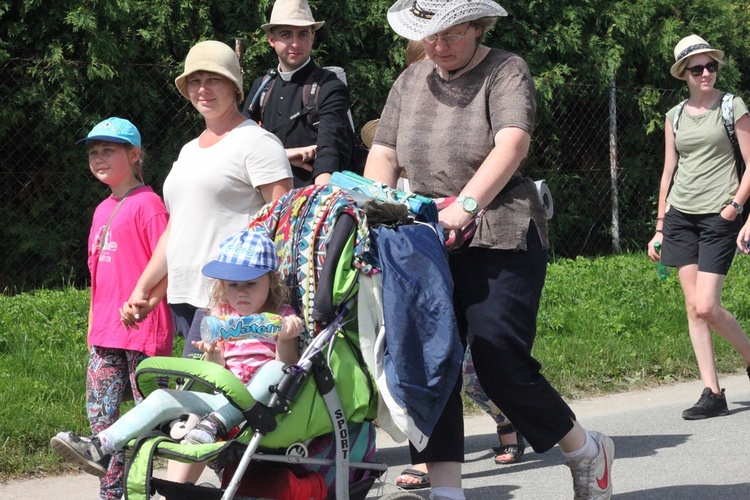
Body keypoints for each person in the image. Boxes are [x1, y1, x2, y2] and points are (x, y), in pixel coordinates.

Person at [366, 2, 614, 499]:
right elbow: (385, 151)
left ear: (478, 27)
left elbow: (512, 143)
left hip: (500, 232)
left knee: (498, 359)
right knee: (426, 359)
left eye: (451, 34)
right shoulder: (410, 80)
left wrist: (468, 203)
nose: (439, 45)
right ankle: (447, 491)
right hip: (422, 239)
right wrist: (378, 206)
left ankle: (585, 449)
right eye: (430, 35)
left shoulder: (506, 69)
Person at [51, 230, 304, 478]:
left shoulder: (282, 315)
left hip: (259, 407)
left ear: (271, 281)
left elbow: (287, 371)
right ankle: (102, 446)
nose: (242, 292)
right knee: (163, 396)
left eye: (251, 283)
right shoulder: (222, 316)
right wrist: (213, 354)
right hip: (224, 400)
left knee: (274, 370)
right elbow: (215, 375)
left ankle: (215, 424)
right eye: (233, 284)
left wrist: (285, 338)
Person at [121, 40, 293, 360]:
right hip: (184, 295)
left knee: (199, 398)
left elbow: (282, 224)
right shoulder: (188, 150)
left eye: (213, 79)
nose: (203, 89)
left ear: (235, 86)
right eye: (194, 81)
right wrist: (144, 288)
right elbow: (177, 228)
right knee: (210, 399)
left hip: (228, 299)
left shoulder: (258, 143)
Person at [649, 34, 750, 419]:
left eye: (711, 66)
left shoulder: (731, 106)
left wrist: (735, 207)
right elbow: (668, 172)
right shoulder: (673, 116)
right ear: (684, 74)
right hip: (680, 217)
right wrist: (660, 225)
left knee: (708, 304)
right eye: (697, 68)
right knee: (693, 308)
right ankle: (713, 392)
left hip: (718, 215)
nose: (706, 73)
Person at [76, 116, 174, 500]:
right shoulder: (102, 210)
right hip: (105, 334)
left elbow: (168, 264)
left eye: (108, 150)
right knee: (102, 421)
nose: (99, 158)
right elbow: (97, 278)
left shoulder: (149, 206)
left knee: (145, 422)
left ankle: (140, 490)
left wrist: (147, 303)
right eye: (94, 152)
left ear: (134, 155)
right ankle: (111, 493)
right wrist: (91, 326)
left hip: (142, 334)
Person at [242, 0, 356, 187]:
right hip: (265, 197)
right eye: (286, 35)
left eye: (303, 34)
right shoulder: (262, 87)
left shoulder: (329, 86)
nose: (295, 43)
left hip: (312, 196)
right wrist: (284, 155)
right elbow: (241, 146)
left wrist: (319, 203)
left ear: (312, 37)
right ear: (271, 40)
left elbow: (330, 150)